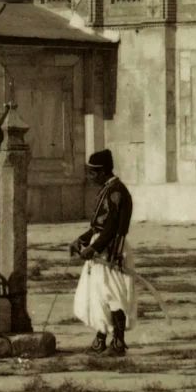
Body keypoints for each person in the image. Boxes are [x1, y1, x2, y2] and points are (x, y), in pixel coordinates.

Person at [67, 148, 134, 357]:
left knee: (112, 295)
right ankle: (100, 340)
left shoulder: (116, 192)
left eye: (92, 173)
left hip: (112, 251)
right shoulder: (108, 188)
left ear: (103, 172)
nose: (90, 177)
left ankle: (119, 343)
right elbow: (98, 226)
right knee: (98, 296)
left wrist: (93, 248)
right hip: (100, 249)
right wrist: (81, 240)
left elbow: (112, 228)